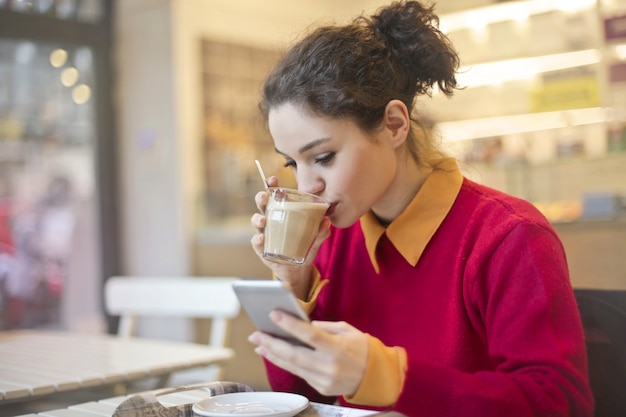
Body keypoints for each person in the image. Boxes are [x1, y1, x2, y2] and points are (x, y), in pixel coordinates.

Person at [249, 1, 594, 416]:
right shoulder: (334, 239)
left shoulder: (508, 237)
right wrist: (292, 279)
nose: (307, 186)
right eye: (292, 163)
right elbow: (303, 399)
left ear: (395, 124)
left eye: (322, 157)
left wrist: (388, 377)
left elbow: (560, 404)